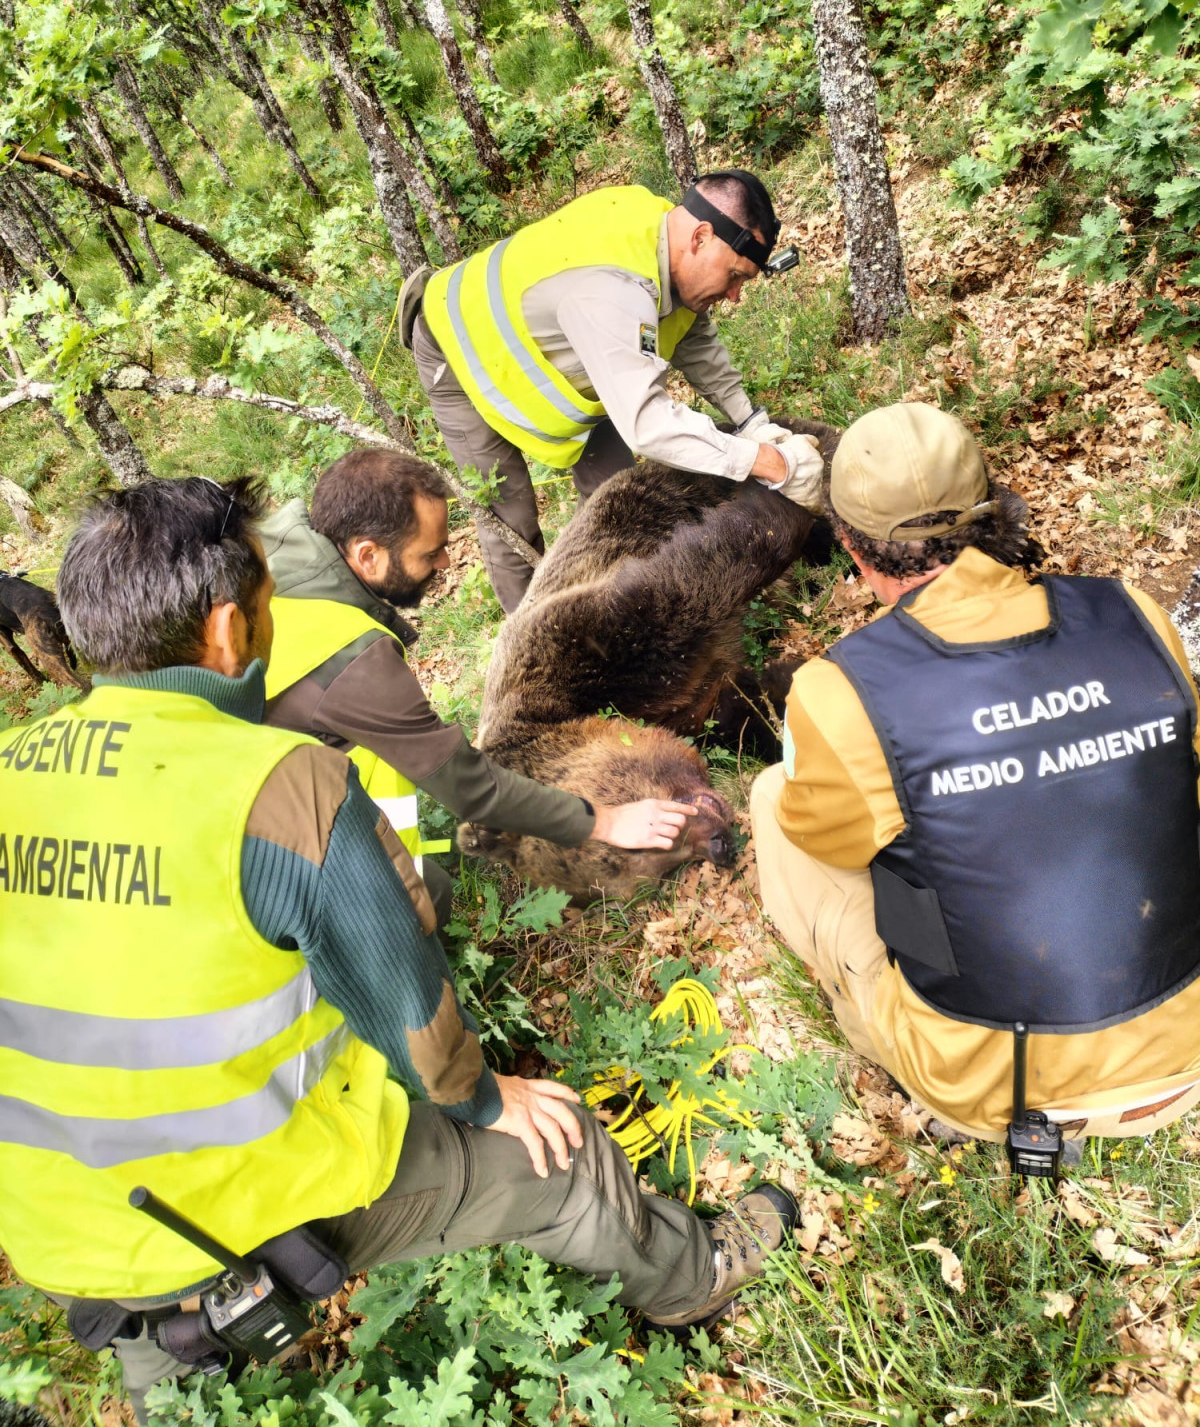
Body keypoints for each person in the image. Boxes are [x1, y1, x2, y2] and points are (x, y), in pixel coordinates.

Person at [0, 477, 796, 1424]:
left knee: (175, 1360)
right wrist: (487, 1098)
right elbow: (408, 1003)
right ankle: (696, 1273)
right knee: (562, 1154)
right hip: (238, 1195)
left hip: (59, 1228)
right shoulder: (281, 786)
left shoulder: (14, 768)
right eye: (263, 603)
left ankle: (169, 1377)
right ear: (224, 631)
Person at [750, 402, 1200, 1145]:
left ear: (852, 549)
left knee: (775, 798)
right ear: (992, 514)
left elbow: (830, 847)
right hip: (1187, 1038)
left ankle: (875, 1028)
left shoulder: (842, 691)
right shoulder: (1134, 613)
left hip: (998, 1087)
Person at [259, 447, 697, 923]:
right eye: (429, 553)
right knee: (423, 902)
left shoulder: (263, 550)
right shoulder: (348, 658)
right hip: (240, 829)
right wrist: (605, 820)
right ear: (368, 555)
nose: (447, 562)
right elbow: (468, 787)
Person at [403, 169, 824, 611]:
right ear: (700, 237)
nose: (736, 295)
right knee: (512, 516)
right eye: (735, 275)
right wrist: (768, 463)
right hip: (461, 348)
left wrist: (752, 424)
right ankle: (540, 642)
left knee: (617, 495)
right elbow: (647, 424)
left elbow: (693, 339)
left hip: (576, 347)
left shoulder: (667, 243)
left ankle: (617, 615)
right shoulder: (613, 290)